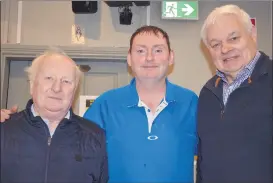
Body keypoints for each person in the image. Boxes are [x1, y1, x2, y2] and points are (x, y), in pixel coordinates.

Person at [1, 26, 198, 182]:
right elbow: (70, 141)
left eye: (157, 50)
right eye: (140, 51)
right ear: (129, 58)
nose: (149, 58)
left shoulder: (193, 104)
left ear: (171, 57)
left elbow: (217, 153)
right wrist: (15, 123)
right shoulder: (105, 105)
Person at [1, 50, 108, 183]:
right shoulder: (4, 130)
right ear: (32, 85)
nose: (57, 88)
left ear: (74, 91)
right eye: (49, 78)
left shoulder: (95, 137)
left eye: (66, 81)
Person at [196, 4, 272, 183]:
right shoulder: (207, 93)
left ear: (252, 34)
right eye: (215, 44)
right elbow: (203, 161)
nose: (225, 49)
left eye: (234, 38)